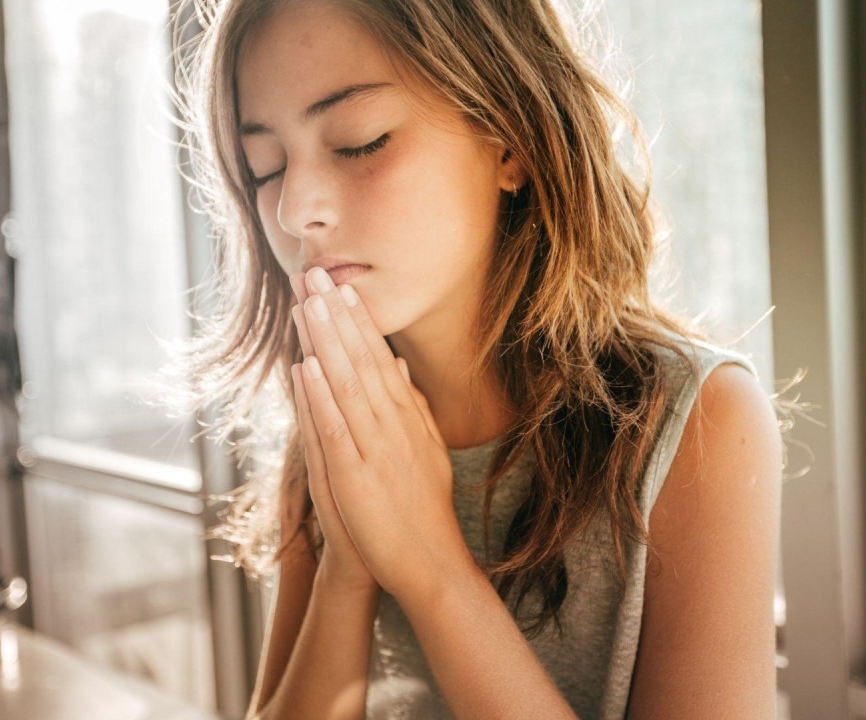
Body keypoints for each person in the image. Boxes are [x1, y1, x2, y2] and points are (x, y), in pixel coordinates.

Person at [166, 0, 785, 717]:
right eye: (265, 166)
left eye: (360, 142)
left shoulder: (699, 423)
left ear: (509, 142)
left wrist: (430, 564)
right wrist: (348, 564)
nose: (294, 207)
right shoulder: (340, 421)